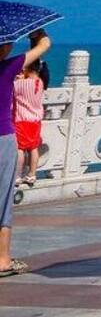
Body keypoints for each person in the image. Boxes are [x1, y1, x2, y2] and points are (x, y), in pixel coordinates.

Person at [0, 30, 49, 278]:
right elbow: (44, 45)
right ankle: (3, 260)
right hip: (3, 137)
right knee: (3, 199)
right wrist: (36, 33)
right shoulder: (9, 67)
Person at [14, 47, 48, 187]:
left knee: (20, 149)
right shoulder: (40, 83)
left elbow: (11, 90)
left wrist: (18, 78)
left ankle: (17, 176)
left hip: (22, 120)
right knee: (33, 148)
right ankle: (32, 175)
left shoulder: (20, 84)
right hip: (35, 121)